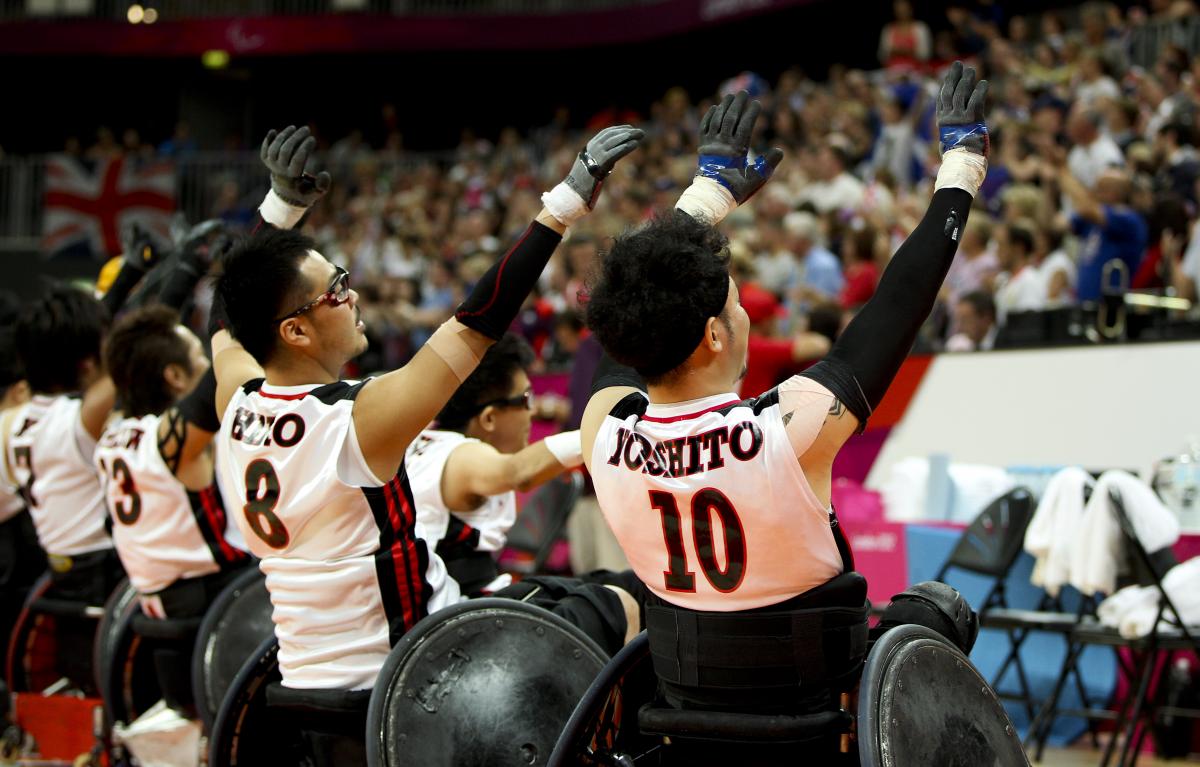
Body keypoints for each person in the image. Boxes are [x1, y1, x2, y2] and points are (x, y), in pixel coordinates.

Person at [580, 64, 987, 756]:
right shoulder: (786, 431)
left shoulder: (603, 433)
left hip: (688, 725)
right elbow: (899, 304)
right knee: (936, 609)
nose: (742, 312)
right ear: (714, 333)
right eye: (736, 304)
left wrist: (705, 195)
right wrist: (963, 168)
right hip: (814, 729)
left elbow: (633, 313)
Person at [210, 124, 644, 702]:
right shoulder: (354, 421)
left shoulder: (235, 400)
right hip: (417, 669)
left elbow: (228, 315)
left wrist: (280, 209)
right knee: (624, 600)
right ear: (294, 330)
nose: (353, 296)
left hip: (302, 675)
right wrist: (563, 205)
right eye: (336, 291)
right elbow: (477, 323)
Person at [94, 305, 251, 621]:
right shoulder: (170, 439)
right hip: (215, 595)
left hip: (156, 598)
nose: (208, 363)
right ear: (175, 376)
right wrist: (229, 300)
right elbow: (220, 377)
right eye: (199, 356)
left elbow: (128, 360)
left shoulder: (111, 432)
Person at [405, 333, 584, 595]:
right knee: (616, 597)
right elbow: (519, 472)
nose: (533, 411)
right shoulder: (460, 456)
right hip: (457, 619)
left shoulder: (427, 440)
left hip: (461, 605)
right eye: (525, 399)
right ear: (488, 418)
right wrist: (600, 433)